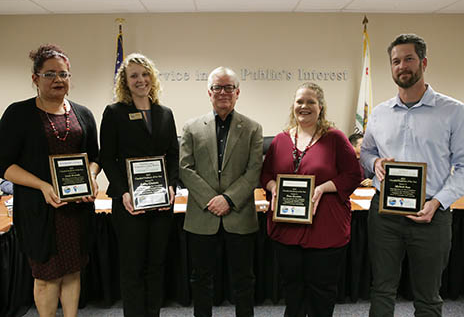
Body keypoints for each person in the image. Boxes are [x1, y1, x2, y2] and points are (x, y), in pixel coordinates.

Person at [361, 34, 464, 317]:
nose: (401, 66)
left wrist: (438, 202)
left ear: (423, 62)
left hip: (432, 214)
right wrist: (375, 162)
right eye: (395, 61)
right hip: (384, 215)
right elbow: (365, 154)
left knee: (429, 296)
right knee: (381, 290)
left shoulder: (454, 112)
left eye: (408, 59)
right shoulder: (380, 113)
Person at [0, 44, 100, 317]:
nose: (59, 80)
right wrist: (43, 185)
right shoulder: (18, 114)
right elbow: (4, 165)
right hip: (39, 210)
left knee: (72, 273)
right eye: (50, 74)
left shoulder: (83, 114)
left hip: (76, 210)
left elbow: (95, 157)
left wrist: (90, 177)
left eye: (64, 74)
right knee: (46, 278)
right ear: (35, 78)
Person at [260, 82, 361, 317]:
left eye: (310, 102)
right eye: (299, 101)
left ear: (321, 107)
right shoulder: (281, 140)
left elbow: (354, 174)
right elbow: (265, 174)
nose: (304, 106)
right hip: (286, 230)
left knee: (322, 294)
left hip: (325, 229)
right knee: (292, 292)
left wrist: (324, 188)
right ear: (293, 106)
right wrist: (273, 186)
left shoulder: (335, 138)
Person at [100, 53, 179, 317]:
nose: (140, 80)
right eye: (134, 75)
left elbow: (173, 154)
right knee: (132, 267)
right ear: (125, 81)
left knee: (156, 265)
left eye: (145, 74)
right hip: (128, 203)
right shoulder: (114, 113)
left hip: (160, 201)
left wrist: (171, 186)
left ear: (152, 78)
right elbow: (107, 158)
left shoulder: (165, 113)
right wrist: (123, 192)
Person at [180, 66, 263, 317]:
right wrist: (211, 200)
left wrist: (228, 199)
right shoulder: (191, 127)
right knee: (201, 280)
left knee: (243, 281)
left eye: (229, 87)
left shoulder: (252, 128)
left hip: (240, 215)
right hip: (201, 217)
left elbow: (254, 170)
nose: (223, 92)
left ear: (238, 92)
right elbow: (185, 168)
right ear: (209, 92)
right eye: (218, 87)